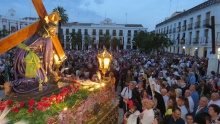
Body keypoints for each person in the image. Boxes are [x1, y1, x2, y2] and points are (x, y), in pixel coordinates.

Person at [10, 15, 60, 93]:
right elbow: (47, 59)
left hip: (20, 54)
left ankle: (15, 83)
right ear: (49, 30)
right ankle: (12, 84)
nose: (54, 33)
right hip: (27, 57)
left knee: (27, 75)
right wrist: (50, 71)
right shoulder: (47, 40)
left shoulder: (36, 35)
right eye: (54, 31)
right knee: (41, 80)